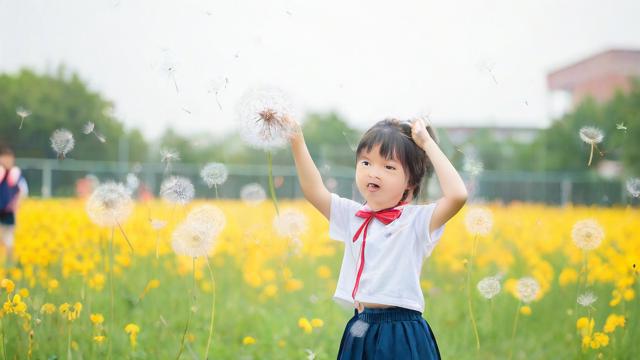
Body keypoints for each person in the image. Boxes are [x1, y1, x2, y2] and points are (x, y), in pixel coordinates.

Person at [287, 117, 467, 359]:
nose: (374, 173)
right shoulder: (352, 215)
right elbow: (313, 190)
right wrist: (295, 136)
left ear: (411, 181)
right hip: (361, 325)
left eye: (389, 167)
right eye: (366, 162)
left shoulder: (417, 220)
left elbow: (457, 195)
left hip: (402, 330)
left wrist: (426, 143)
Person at [0, 144, 29, 264]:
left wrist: (16, 203)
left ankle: (9, 261)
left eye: (9, 158)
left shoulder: (16, 174)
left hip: (9, 211)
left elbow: (23, 191)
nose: (7, 161)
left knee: (8, 237)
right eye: (4, 158)